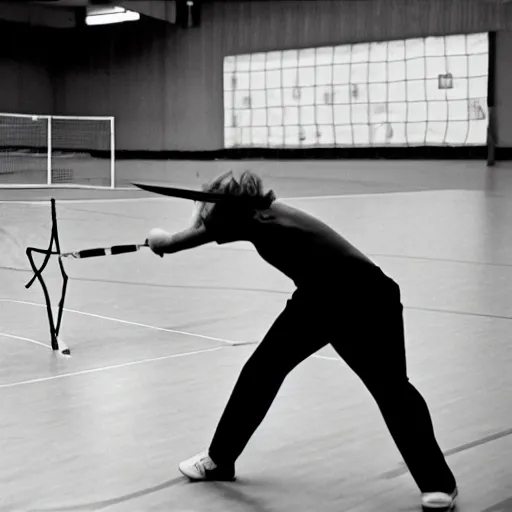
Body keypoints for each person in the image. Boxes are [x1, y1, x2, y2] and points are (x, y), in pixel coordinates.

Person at [146, 170, 458, 511]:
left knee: (389, 389)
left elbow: (171, 242)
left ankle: (439, 483)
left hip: (360, 299)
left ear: (227, 205)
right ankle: (220, 461)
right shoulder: (264, 210)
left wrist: (157, 239)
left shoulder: (247, 218)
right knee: (262, 372)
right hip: (333, 296)